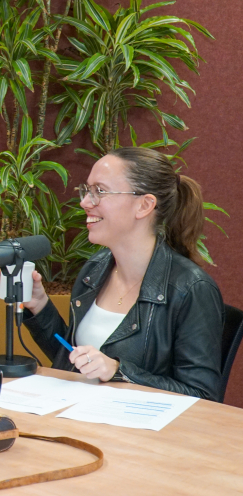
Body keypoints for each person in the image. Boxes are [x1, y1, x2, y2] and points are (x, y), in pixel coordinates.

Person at [21, 146, 224, 400]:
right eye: (87, 191)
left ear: (144, 205)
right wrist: (39, 305)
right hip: (80, 419)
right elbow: (74, 359)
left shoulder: (192, 289)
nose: (85, 202)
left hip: (141, 437)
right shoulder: (94, 270)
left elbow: (202, 396)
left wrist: (119, 371)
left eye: (100, 191)